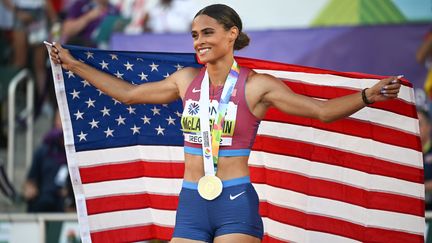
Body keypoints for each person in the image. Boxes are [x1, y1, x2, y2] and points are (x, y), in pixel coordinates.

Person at [49, 4, 402, 242]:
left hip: (235, 202)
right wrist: (72, 64)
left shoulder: (257, 85)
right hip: (190, 202)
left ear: (231, 34)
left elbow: (321, 111)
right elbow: (128, 94)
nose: (199, 41)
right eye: (194, 35)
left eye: (207, 32)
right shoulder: (185, 80)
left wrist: (367, 96)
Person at [23, 110, 69, 212]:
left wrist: (70, 192)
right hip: (43, 201)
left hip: (66, 204)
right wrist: (29, 189)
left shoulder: (76, 152)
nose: (65, 122)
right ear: (56, 121)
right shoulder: (44, 150)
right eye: (61, 119)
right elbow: (30, 181)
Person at [417, 109, 432, 210]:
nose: (415, 128)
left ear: (429, 127)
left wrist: (421, 187)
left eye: (419, 124)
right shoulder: (405, 151)